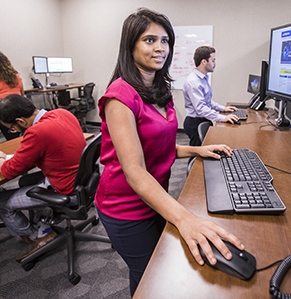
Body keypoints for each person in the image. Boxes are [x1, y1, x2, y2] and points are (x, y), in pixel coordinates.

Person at [96, 8, 244, 296]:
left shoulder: (159, 90)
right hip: (124, 208)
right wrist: (185, 218)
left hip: (155, 197)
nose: (160, 48)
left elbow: (159, 148)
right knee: (151, 275)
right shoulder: (120, 96)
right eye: (149, 40)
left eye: (165, 41)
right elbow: (135, 169)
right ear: (131, 45)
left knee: (156, 270)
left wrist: (197, 149)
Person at [0, 94, 86, 261]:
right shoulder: (63, 113)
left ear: (20, 121)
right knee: (24, 181)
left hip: (66, 191)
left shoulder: (37, 132)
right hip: (81, 182)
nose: (13, 131)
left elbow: (9, 171)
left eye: (12, 128)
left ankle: (38, 236)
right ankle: (44, 226)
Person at [183, 46, 240, 146]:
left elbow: (207, 101)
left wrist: (223, 108)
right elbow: (201, 108)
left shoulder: (202, 78)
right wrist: (222, 117)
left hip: (201, 120)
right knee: (197, 155)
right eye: (213, 60)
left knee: (204, 150)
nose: (215, 64)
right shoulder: (194, 82)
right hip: (194, 123)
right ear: (204, 62)